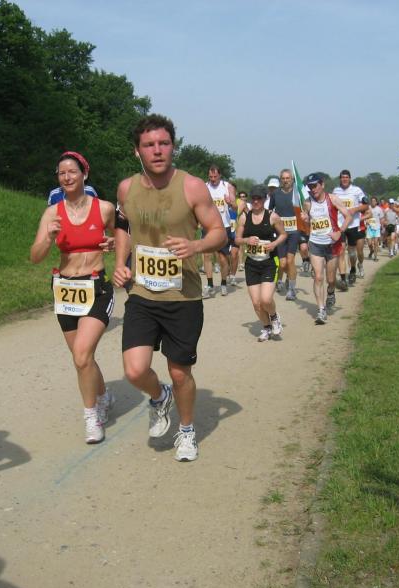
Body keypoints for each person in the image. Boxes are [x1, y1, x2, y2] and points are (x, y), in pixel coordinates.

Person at [113, 114, 226, 462]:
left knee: (180, 372)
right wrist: (120, 262)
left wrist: (196, 245)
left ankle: (187, 430)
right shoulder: (126, 188)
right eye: (149, 145)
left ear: (173, 147)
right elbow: (122, 225)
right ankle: (160, 397)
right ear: (137, 151)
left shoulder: (192, 186)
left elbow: (219, 232)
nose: (157, 150)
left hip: (183, 295)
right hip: (142, 293)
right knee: (134, 370)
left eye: (164, 143)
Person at [30, 151, 116, 444]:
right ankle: (103, 395)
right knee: (82, 358)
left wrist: (114, 242)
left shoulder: (104, 208)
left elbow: (126, 235)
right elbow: (35, 256)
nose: (66, 177)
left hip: (96, 288)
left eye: (72, 172)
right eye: (61, 173)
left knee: (81, 354)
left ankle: (92, 417)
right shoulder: (52, 213)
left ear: (84, 174)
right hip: (65, 289)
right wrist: (48, 237)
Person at [234, 184, 287, 341]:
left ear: (265, 199)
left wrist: (274, 244)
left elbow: (283, 234)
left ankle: (274, 317)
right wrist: (246, 240)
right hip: (252, 264)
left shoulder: (272, 216)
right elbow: (237, 239)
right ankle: (266, 327)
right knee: (256, 303)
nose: (256, 201)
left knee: (266, 299)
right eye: (253, 198)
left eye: (259, 198)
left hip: (269, 262)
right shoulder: (244, 217)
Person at [301, 173, 348, 324]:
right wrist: (306, 220)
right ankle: (321, 310)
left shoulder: (333, 199)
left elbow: (348, 216)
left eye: (315, 185)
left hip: (332, 244)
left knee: (331, 279)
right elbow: (308, 225)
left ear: (322, 185)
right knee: (318, 277)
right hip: (315, 243)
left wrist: (339, 232)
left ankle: (331, 291)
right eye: (310, 186)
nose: (312, 189)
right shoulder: (307, 203)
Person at [202, 165, 235, 298]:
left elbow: (235, 207)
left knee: (222, 258)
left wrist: (230, 202)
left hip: (224, 226)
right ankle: (210, 284)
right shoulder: (204, 187)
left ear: (220, 175)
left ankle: (223, 283)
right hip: (208, 226)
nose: (213, 179)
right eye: (210, 177)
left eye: (215, 176)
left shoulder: (228, 187)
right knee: (207, 255)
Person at [268, 169, 301, 300]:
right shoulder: (275, 194)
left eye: (288, 178)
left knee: (290, 260)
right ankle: (288, 277)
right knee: (282, 263)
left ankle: (292, 290)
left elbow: (306, 206)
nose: (286, 180)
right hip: (280, 232)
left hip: (294, 231)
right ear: (280, 180)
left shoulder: (297, 193)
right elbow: (270, 210)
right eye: (283, 178)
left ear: (292, 179)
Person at [332, 169, 369, 283]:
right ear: (340, 179)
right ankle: (343, 277)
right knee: (341, 250)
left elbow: (366, 205)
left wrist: (355, 209)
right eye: (342, 177)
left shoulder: (356, 190)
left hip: (353, 224)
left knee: (353, 252)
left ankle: (353, 268)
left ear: (350, 179)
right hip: (340, 225)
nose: (344, 179)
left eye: (346, 177)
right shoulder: (336, 191)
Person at [366, 196, 383, 261]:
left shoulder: (379, 209)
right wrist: (366, 221)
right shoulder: (368, 208)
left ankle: (375, 257)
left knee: (376, 243)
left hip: (377, 227)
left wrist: (382, 226)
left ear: (376, 202)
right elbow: (365, 216)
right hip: (369, 227)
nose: (373, 202)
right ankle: (371, 251)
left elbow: (381, 218)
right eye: (372, 201)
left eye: (374, 201)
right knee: (369, 243)